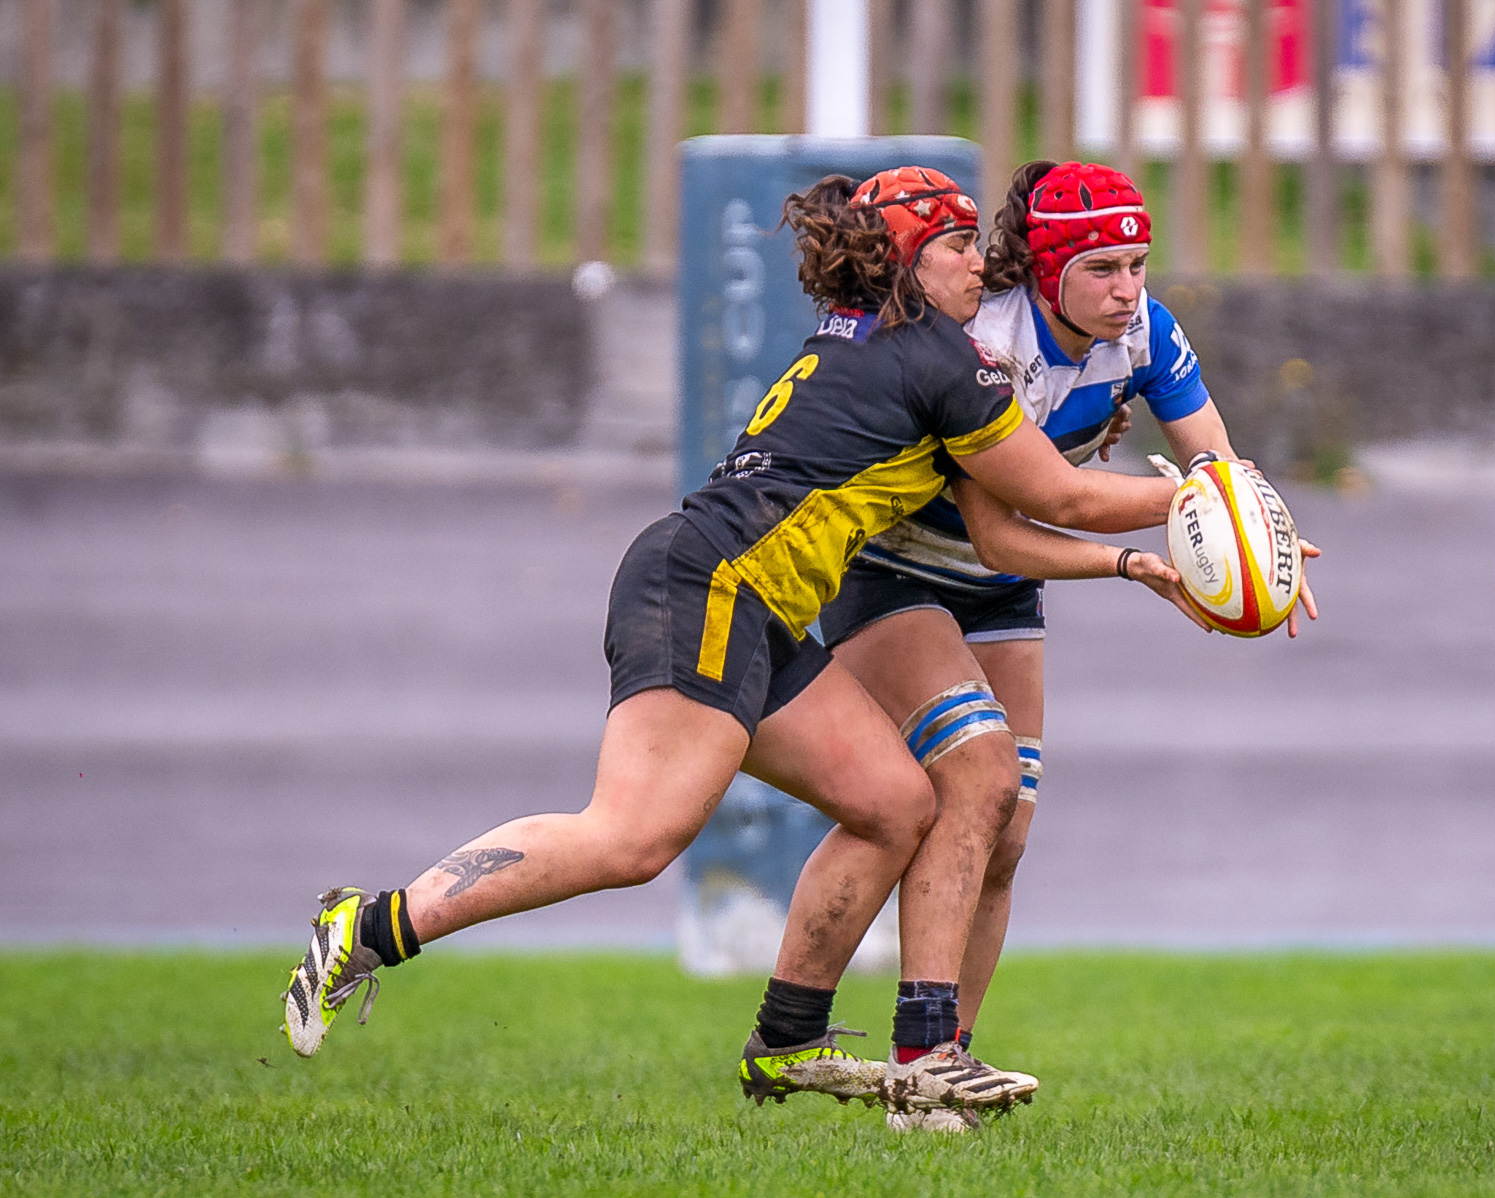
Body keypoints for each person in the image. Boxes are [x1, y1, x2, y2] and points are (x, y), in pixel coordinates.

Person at [279, 165, 1195, 1123]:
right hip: (707, 586)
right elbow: (1058, 497)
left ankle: (790, 1040)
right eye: (959, 247)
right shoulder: (940, 357)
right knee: (633, 838)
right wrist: (1204, 497)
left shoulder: (879, 339)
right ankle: (374, 924)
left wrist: (1137, 548)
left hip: (748, 600)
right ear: (908, 262)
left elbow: (1019, 517)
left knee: (893, 803)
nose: (981, 264)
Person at [811, 161, 1320, 1130]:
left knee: (1006, 834)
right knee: (969, 781)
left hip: (1004, 586)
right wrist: (1146, 557)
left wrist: (1267, 544)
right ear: (1048, 273)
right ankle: (896, 1049)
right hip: (899, 569)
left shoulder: (1148, 334)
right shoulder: (984, 342)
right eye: (1104, 268)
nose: (1129, 288)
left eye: (1138, 263)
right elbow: (1016, 521)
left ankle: (939, 1078)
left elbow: (1219, 467)